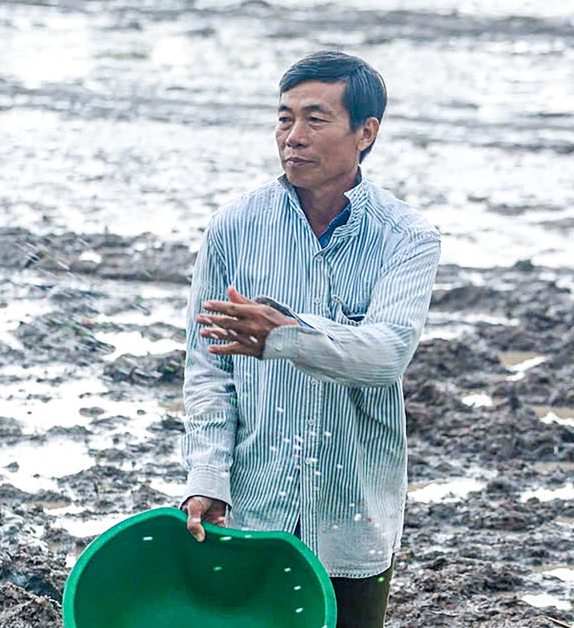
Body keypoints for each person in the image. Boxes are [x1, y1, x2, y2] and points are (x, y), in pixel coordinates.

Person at [179, 50, 441, 628]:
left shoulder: (408, 237)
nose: (292, 136)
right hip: (252, 505)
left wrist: (285, 336)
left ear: (365, 132)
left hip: (354, 514)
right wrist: (206, 478)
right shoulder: (234, 226)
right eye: (283, 118)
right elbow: (207, 373)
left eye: (315, 120)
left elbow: (386, 354)